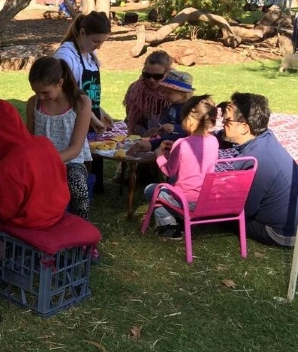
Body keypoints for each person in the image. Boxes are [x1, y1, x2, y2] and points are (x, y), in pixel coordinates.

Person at [0, 100, 70, 230]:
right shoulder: (44, 143)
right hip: (56, 212)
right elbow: (35, 177)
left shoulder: (9, 165)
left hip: (31, 221)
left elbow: (3, 212)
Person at [218, 93, 297, 247]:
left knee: (219, 214)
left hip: (280, 233)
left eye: (227, 121)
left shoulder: (256, 160)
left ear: (244, 127)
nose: (222, 123)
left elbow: (244, 209)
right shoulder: (265, 137)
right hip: (290, 223)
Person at [26, 57, 93, 222]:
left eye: (45, 92)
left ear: (60, 83)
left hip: (71, 162)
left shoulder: (80, 102)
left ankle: (81, 235)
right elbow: (29, 139)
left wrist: (48, 162)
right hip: (40, 162)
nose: (40, 97)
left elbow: (75, 148)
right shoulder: (33, 103)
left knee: (78, 188)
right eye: (36, 92)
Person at [143, 95, 219, 240]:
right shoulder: (214, 141)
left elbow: (168, 170)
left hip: (184, 199)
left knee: (151, 190)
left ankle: (169, 227)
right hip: (205, 199)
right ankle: (180, 219)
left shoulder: (182, 143)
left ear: (189, 120)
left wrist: (159, 154)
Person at [53, 11, 113, 132]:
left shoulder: (91, 54)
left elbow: (88, 93)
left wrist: (99, 111)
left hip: (87, 120)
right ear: (82, 32)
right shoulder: (65, 56)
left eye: (102, 42)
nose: (99, 47)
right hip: (72, 125)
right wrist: (91, 117)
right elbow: (66, 94)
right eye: (96, 41)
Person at [123, 50, 172, 136]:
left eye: (157, 76)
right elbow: (130, 119)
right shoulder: (135, 89)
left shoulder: (175, 93)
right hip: (138, 136)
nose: (151, 80)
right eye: (147, 75)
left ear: (168, 72)